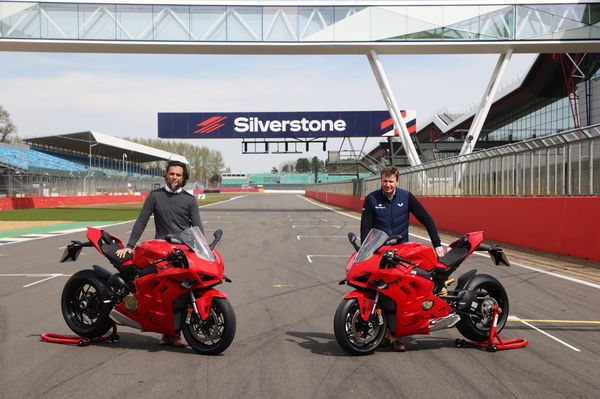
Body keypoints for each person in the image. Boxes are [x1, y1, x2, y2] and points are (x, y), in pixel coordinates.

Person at [116, 160, 203, 347]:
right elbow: (141, 221)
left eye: (178, 175)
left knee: (182, 290)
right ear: (166, 175)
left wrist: (203, 249)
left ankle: (175, 333)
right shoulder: (155, 196)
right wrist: (130, 245)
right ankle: (165, 332)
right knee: (160, 292)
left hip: (184, 251)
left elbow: (198, 229)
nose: (174, 177)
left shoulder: (189, 200)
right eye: (172, 174)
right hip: (161, 249)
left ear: (184, 178)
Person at [360, 165, 445, 351]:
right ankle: (383, 334)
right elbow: (365, 228)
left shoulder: (406, 197)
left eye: (390, 181)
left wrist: (437, 244)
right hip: (379, 252)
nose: (387, 185)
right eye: (384, 181)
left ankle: (397, 336)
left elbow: (427, 219)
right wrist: (364, 250)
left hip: (401, 254)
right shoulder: (372, 199)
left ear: (397, 181)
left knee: (400, 294)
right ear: (380, 181)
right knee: (379, 292)